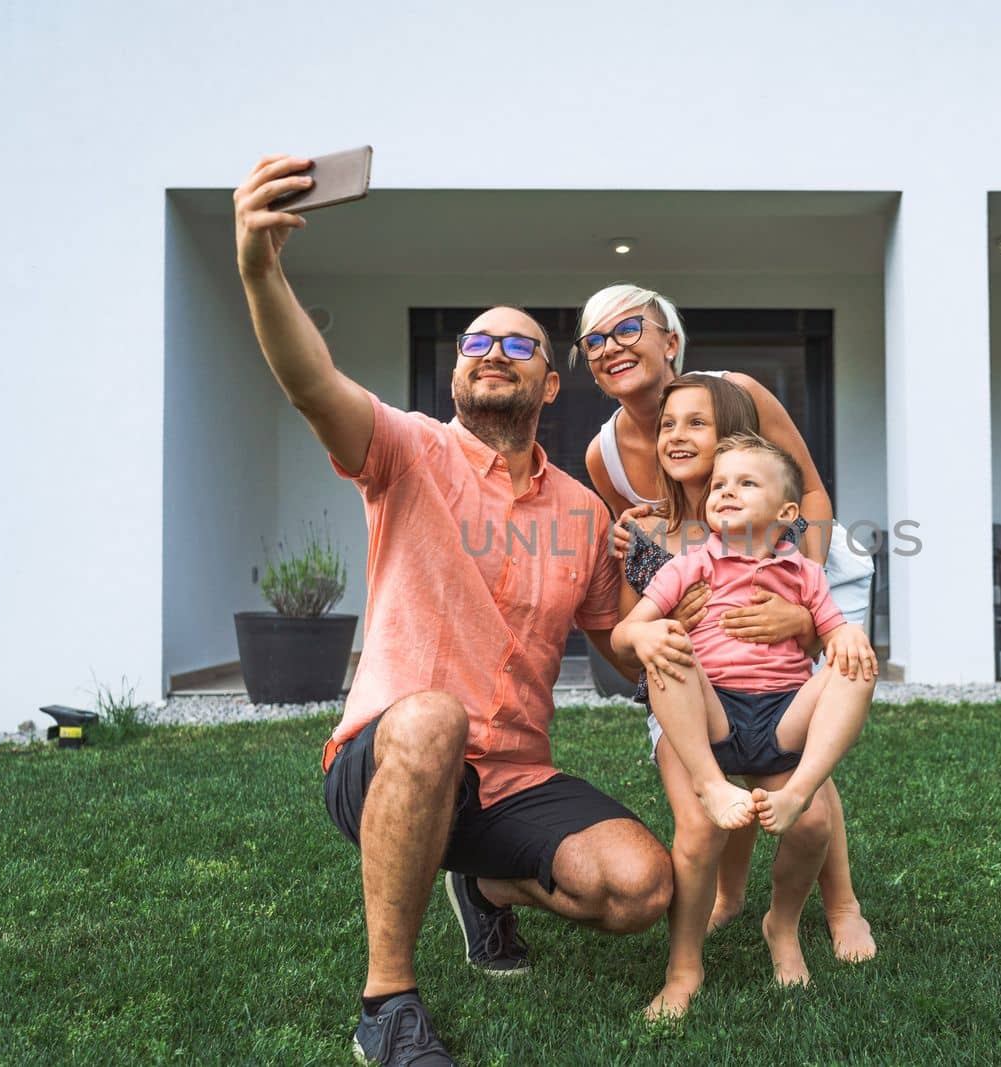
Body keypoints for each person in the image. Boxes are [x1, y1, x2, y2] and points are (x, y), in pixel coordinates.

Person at [233, 155, 672, 1066]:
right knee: (434, 714)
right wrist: (259, 268)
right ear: (457, 379)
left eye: (519, 345)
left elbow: (623, 654)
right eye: (478, 343)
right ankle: (387, 1004)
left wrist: (661, 595)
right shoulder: (406, 452)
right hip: (390, 756)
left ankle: (486, 886)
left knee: (640, 886)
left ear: (551, 385)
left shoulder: (585, 512)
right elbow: (311, 381)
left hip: (511, 778)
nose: (496, 353)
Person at [577, 284, 878, 964]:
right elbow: (641, 596)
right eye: (593, 339)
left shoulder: (735, 394)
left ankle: (840, 902)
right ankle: (729, 895)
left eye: (627, 328)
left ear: (669, 341)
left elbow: (809, 494)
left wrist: (799, 604)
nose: (611, 346)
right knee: (714, 789)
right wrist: (662, 610)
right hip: (693, 659)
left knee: (809, 762)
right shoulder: (609, 461)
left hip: (776, 596)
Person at [611, 430, 877, 1018]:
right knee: (667, 647)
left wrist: (847, 633)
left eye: (745, 483)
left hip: (783, 717)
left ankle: (781, 922)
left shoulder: (805, 577)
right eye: (720, 484)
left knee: (855, 668)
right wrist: (646, 632)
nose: (725, 492)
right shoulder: (689, 564)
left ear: (787, 514)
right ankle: (684, 968)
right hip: (710, 715)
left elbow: (830, 641)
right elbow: (624, 635)